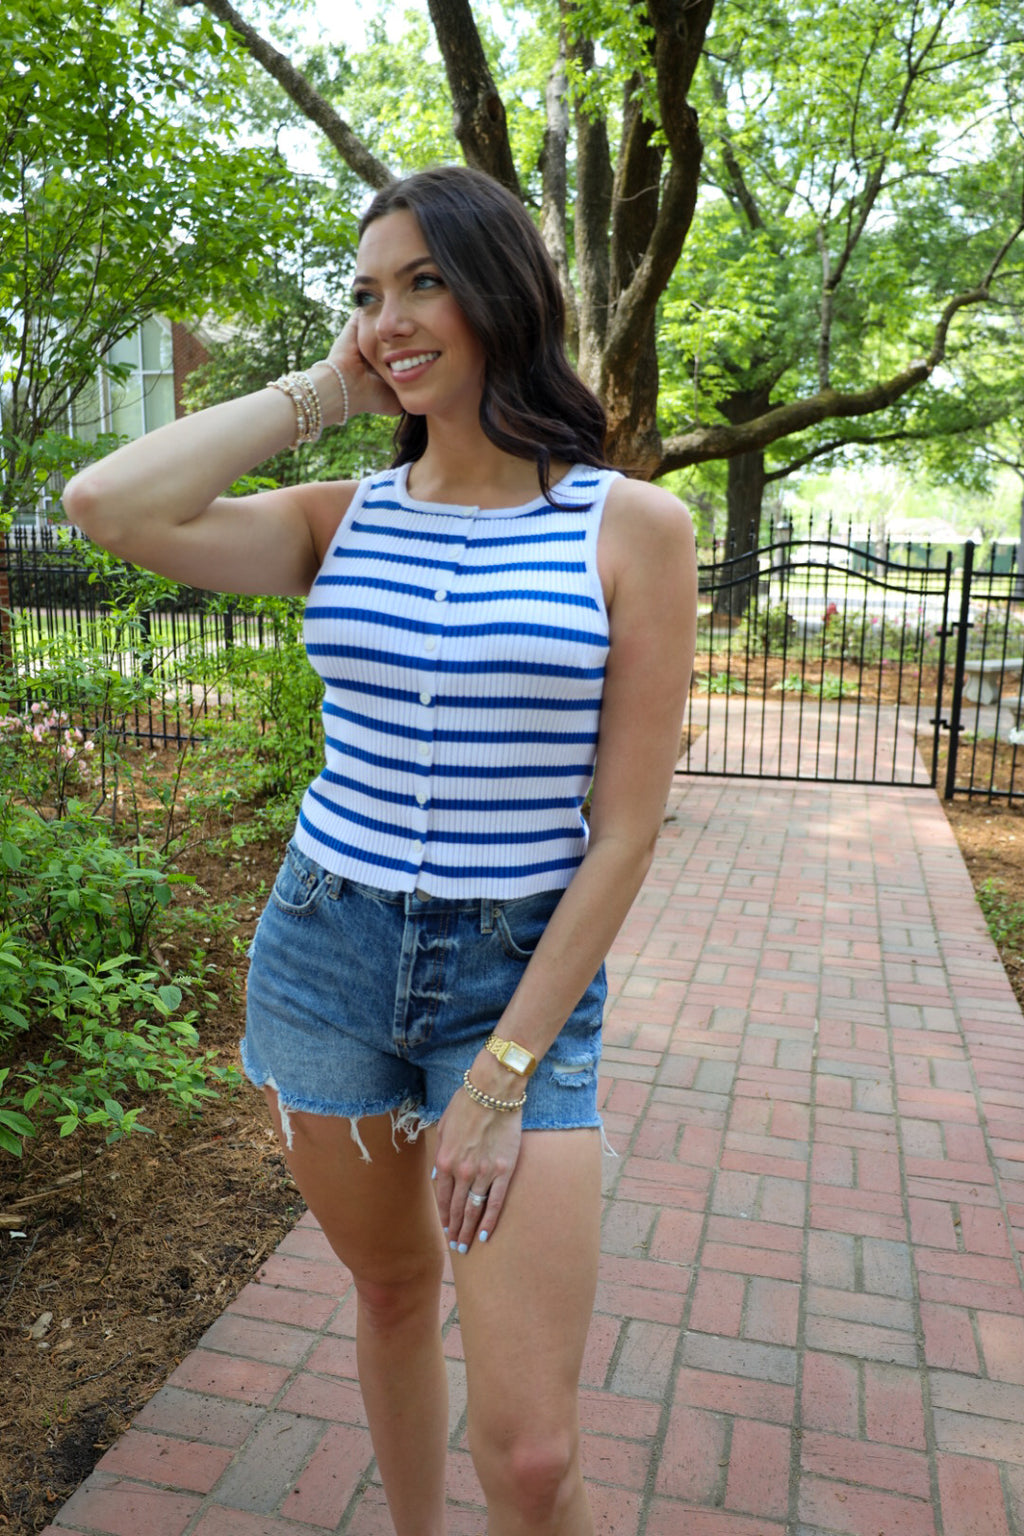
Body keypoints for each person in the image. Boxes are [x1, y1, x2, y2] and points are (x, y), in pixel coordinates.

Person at [64, 165, 697, 1536]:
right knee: (394, 1292)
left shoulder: (632, 528)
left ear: (502, 292)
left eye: (424, 281)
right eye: (367, 292)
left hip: (511, 980)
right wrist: (327, 390)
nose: (391, 315)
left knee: (531, 1458)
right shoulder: (337, 519)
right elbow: (106, 505)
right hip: (325, 952)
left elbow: (628, 831)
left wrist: (506, 1073)